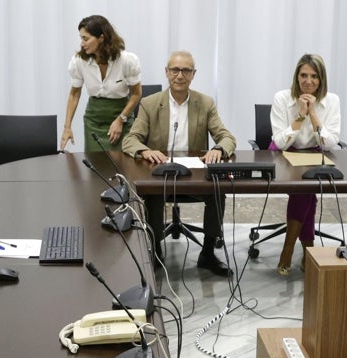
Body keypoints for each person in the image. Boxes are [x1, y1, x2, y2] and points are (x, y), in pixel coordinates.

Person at [122, 51, 237, 277]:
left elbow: (227, 137)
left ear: (193, 74)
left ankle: (207, 253)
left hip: (194, 176)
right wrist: (146, 150)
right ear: (167, 72)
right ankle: (155, 252)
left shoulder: (205, 103)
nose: (180, 75)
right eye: (175, 70)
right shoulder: (149, 103)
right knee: (152, 193)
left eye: (186, 70)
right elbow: (130, 140)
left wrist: (218, 148)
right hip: (162, 174)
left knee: (218, 189)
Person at [271, 53, 342, 275]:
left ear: (322, 80)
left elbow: (331, 142)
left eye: (314, 76)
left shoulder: (332, 101)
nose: (308, 81)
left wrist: (313, 114)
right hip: (284, 155)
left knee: (306, 189)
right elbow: (280, 141)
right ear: (296, 77)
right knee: (306, 190)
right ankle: (302, 249)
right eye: (303, 75)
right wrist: (300, 115)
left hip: (314, 155)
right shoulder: (282, 98)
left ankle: (291, 249)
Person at [60, 15, 142, 154]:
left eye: (86, 38)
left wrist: (121, 120)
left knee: (122, 165)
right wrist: (67, 127)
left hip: (121, 116)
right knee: (96, 166)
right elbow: (74, 94)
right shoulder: (79, 61)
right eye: (81, 38)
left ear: (101, 38)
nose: (82, 43)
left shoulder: (126, 60)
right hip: (94, 121)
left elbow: (136, 93)